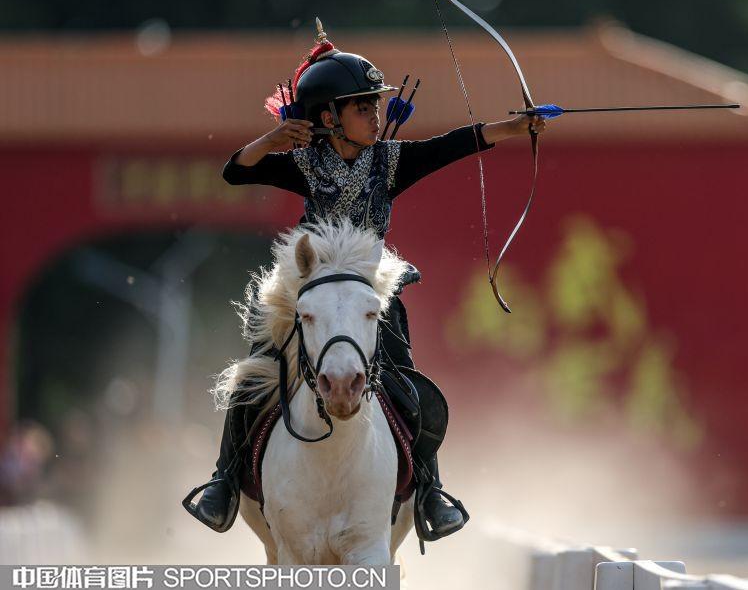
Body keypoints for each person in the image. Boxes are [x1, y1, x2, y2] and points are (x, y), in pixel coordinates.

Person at [182, 27, 545, 536]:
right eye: (362, 108)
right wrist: (271, 142)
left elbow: (456, 144)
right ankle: (223, 482)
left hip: (369, 293)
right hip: (306, 290)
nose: (376, 116)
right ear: (329, 118)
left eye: (376, 106)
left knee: (408, 387)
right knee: (254, 378)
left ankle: (430, 490)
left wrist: (517, 126)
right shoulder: (304, 164)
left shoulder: (390, 161)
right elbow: (235, 173)